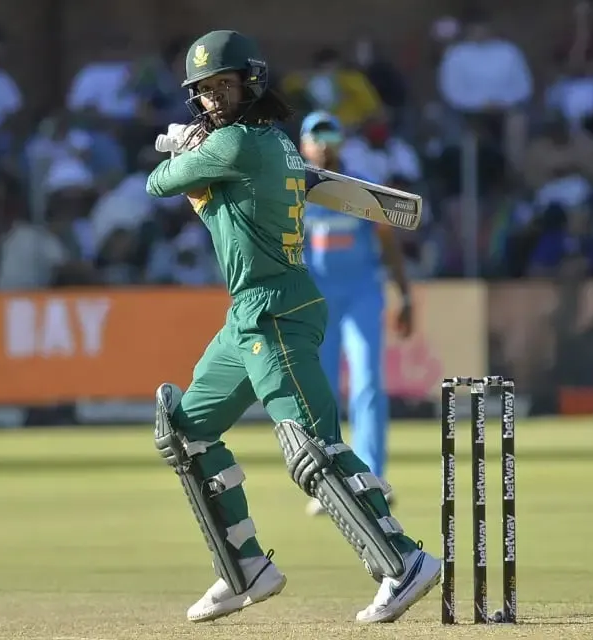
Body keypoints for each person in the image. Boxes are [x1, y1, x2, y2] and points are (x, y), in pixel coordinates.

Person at [145, 30, 442, 625]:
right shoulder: (271, 145)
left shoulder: (234, 145)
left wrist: (183, 149)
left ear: (249, 83)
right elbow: (206, 196)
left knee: (309, 446)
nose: (212, 98)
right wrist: (194, 153)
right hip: (247, 316)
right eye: (202, 91)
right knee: (185, 430)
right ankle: (244, 568)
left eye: (222, 86)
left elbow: (158, 184)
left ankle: (402, 561)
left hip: (277, 310)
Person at [298, 111, 414, 517]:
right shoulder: (295, 190)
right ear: (303, 144)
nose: (324, 143)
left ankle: (372, 476)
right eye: (316, 136)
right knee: (322, 392)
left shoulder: (360, 189)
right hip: (318, 301)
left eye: (331, 134)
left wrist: (404, 294)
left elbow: (388, 242)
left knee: (367, 384)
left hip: (363, 294)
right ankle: (328, 483)